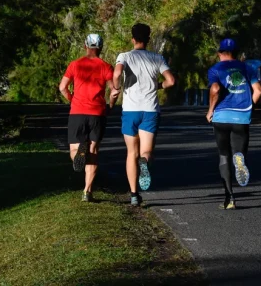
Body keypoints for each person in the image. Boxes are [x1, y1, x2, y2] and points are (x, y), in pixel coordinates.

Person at [111, 23, 175, 207]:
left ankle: (133, 194)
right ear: (148, 39)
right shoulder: (157, 58)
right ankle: (144, 162)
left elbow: (117, 73)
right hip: (150, 110)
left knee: (131, 152)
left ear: (132, 39)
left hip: (130, 110)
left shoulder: (124, 56)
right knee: (146, 152)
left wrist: (116, 87)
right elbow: (170, 81)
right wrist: (158, 86)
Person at [59, 34, 116, 202]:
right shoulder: (106, 66)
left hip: (77, 112)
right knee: (94, 152)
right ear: (101, 47)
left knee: (74, 150)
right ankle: (87, 191)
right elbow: (114, 91)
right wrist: (110, 106)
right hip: (97, 113)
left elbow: (62, 87)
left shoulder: (75, 65)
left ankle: (79, 154)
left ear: (85, 46)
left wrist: (71, 99)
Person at [206, 38, 261, 210]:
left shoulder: (215, 69)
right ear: (238, 54)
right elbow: (259, 90)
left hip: (221, 117)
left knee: (224, 155)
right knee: (239, 153)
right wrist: (249, 107)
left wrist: (210, 111)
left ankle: (229, 198)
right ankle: (239, 158)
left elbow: (215, 90)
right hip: (242, 116)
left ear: (219, 53)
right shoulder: (248, 68)